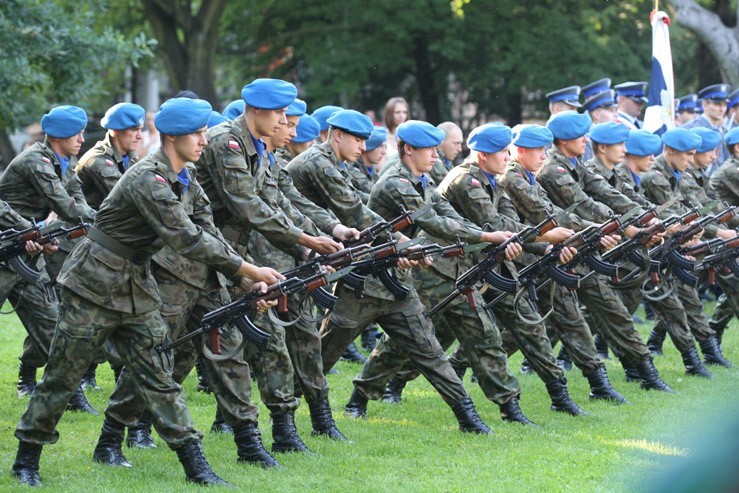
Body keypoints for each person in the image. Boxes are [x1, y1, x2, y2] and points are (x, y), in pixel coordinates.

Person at [11, 97, 283, 487]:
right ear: (172, 137)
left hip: (136, 285)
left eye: (206, 132)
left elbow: (209, 234)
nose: (205, 140)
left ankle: (196, 466)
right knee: (62, 376)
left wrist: (242, 277)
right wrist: (249, 268)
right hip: (94, 284)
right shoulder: (148, 178)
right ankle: (26, 460)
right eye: (197, 133)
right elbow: (184, 236)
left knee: (160, 375)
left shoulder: (187, 180)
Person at [286, 112, 495, 433]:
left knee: (429, 348)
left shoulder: (401, 175)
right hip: (362, 282)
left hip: (392, 279)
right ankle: (291, 415)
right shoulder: (322, 163)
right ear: (336, 135)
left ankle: (469, 418)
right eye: (357, 139)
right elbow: (355, 212)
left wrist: (475, 238)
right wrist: (404, 245)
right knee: (322, 353)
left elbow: (437, 215)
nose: (363, 145)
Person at [369, 122, 589, 419]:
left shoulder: (494, 180)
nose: (508, 156)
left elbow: (508, 223)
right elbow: (493, 227)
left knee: (501, 331)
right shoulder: (465, 181)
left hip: (475, 265)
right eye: (502, 152)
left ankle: (532, 401)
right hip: (435, 270)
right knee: (417, 336)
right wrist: (547, 238)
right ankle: (373, 389)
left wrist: (544, 247)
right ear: (483, 155)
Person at [195, 79, 344, 452]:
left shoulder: (263, 152)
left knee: (268, 341)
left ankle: (280, 433)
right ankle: (120, 431)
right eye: (280, 114)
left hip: (231, 258)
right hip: (196, 259)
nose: (285, 123)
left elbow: (282, 203)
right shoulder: (225, 143)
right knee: (173, 352)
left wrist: (312, 247)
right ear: (257, 111)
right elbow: (246, 204)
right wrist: (306, 241)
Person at [537, 111, 673, 391]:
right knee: (538, 326)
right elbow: (585, 205)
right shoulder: (554, 170)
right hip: (555, 255)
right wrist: (628, 228)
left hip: (583, 252)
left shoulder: (577, 166)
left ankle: (641, 376)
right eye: (580, 135)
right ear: (565, 140)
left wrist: (643, 217)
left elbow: (609, 195)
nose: (586, 139)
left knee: (612, 312)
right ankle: (463, 363)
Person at [585, 123, 713, 379]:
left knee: (616, 311)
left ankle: (624, 359)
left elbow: (642, 206)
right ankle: (646, 367)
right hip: (603, 250)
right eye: (621, 145)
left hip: (634, 252)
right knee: (596, 313)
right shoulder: (597, 173)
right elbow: (601, 209)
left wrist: (673, 226)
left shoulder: (618, 175)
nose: (653, 159)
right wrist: (656, 226)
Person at [0, 105, 98, 414]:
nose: (82, 138)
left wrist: (46, 236)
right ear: (60, 136)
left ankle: (71, 395)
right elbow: (65, 206)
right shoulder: (36, 161)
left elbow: (78, 200)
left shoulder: (64, 162)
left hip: (25, 256)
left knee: (53, 326)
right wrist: (107, 221)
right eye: (77, 133)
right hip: (7, 247)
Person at [640, 128, 734, 368]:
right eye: (688, 155)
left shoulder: (680, 173)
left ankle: (701, 356)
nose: (692, 160)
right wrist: (717, 231)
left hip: (683, 245)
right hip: (654, 249)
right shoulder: (656, 177)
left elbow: (702, 207)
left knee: (684, 300)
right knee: (609, 308)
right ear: (670, 151)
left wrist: (709, 227)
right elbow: (673, 214)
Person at [683, 84, 732, 174]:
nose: (722, 109)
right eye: (717, 104)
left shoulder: (723, 131)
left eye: (724, 105)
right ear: (705, 104)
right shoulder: (690, 129)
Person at [346, 126, 386, 203]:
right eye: (379, 146)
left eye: (385, 146)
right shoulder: (351, 167)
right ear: (369, 146)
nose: (384, 152)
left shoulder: (372, 167)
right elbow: (375, 192)